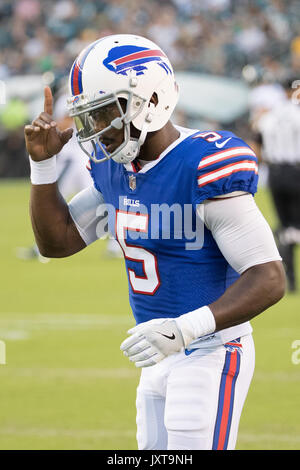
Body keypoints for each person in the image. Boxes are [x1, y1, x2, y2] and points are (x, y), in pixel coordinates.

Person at [24, 34, 285, 450]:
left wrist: (185, 329)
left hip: (212, 350)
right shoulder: (113, 170)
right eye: (87, 116)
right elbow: (57, 243)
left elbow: (269, 277)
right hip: (157, 353)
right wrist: (43, 166)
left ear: (148, 98)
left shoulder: (202, 164)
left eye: (103, 111)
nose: (95, 130)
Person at [254, 76, 300, 292]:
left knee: (284, 225)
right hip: (296, 171)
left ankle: (289, 279)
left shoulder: (269, 115)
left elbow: (257, 147)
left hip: (275, 173)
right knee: (295, 224)